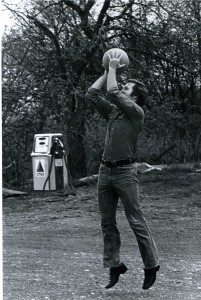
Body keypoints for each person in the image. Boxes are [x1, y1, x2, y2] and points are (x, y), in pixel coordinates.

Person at [85, 50, 160, 290]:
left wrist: (115, 69)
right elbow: (92, 93)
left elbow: (112, 92)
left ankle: (151, 265)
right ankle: (115, 265)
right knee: (107, 223)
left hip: (125, 173)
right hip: (105, 173)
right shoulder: (114, 112)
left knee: (136, 220)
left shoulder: (137, 113)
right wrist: (107, 70)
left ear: (135, 98)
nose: (121, 88)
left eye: (127, 88)